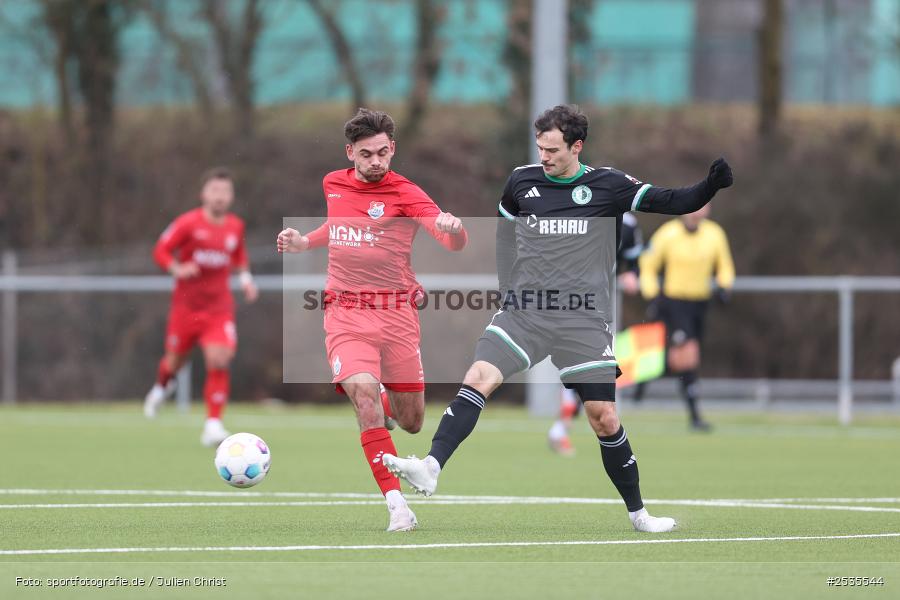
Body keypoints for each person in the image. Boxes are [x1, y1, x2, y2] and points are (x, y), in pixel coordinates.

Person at [383, 104, 733, 533]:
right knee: (478, 375)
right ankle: (432, 466)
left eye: (552, 149)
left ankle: (639, 514)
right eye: (540, 147)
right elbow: (505, 237)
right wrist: (508, 288)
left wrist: (709, 187)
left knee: (603, 416)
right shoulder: (521, 182)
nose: (543, 156)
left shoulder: (608, 185)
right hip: (526, 311)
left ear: (576, 146)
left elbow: (672, 200)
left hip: (582, 320)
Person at [276, 108, 467, 532]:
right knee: (363, 397)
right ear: (351, 154)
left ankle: (382, 408)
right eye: (367, 155)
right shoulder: (332, 183)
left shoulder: (406, 192)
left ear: (393, 149)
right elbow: (341, 227)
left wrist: (453, 229)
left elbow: (447, 239)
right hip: (345, 310)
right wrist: (306, 241)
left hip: (398, 315)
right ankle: (397, 505)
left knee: (413, 422)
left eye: (383, 152)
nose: (376, 161)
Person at [144, 167, 259, 447]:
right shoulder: (188, 223)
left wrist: (245, 279)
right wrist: (177, 267)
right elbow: (160, 249)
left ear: (231, 196)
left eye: (225, 191)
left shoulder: (235, 226)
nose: (220, 196)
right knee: (174, 362)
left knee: (219, 359)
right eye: (214, 190)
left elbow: (239, 256)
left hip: (218, 308)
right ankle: (161, 387)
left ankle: (213, 424)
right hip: (185, 309)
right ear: (203, 194)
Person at [548, 212, 644, 456]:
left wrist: (632, 274)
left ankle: (561, 429)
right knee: (580, 367)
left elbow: (632, 262)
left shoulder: (629, 224)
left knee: (588, 372)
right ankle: (561, 428)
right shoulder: (578, 214)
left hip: (599, 306)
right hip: (570, 303)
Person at [634, 203, 735, 430]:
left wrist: (724, 286)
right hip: (673, 303)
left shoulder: (715, 234)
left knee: (678, 357)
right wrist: (651, 293)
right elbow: (648, 264)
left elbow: (725, 265)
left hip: (699, 303)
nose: (696, 212)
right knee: (688, 355)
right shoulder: (668, 234)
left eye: (702, 207)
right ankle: (695, 416)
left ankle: (647, 375)